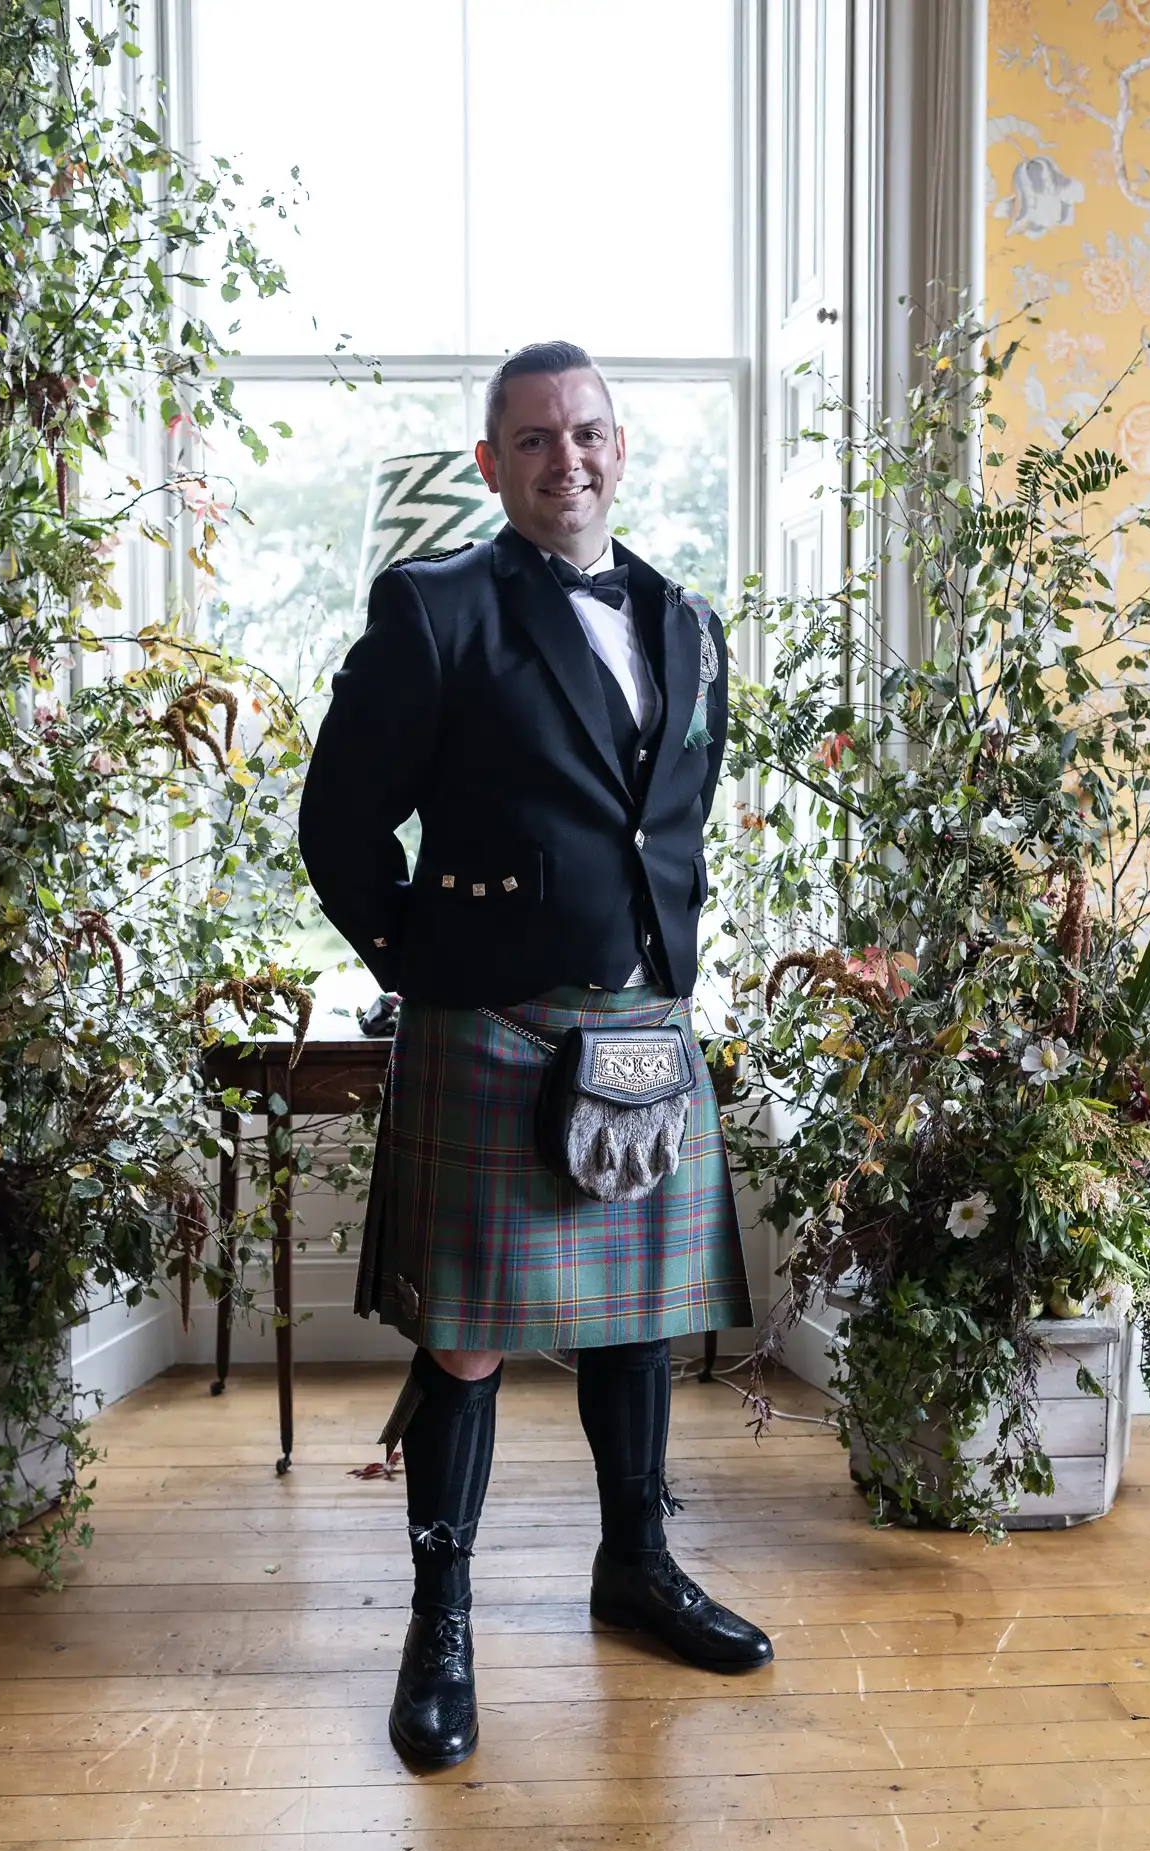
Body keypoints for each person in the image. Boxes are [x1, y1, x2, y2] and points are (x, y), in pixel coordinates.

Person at [300, 340, 772, 1771]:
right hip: (493, 1025)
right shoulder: (437, 611)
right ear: (494, 463)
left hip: (642, 1021)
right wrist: (429, 967)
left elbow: (665, 823)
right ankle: (438, 1621)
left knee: (638, 1319)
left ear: (621, 447)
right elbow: (339, 826)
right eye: (534, 440)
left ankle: (635, 1567)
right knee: (469, 1336)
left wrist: (664, 966)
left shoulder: (686, 620)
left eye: (587, 433)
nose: (566, 458)